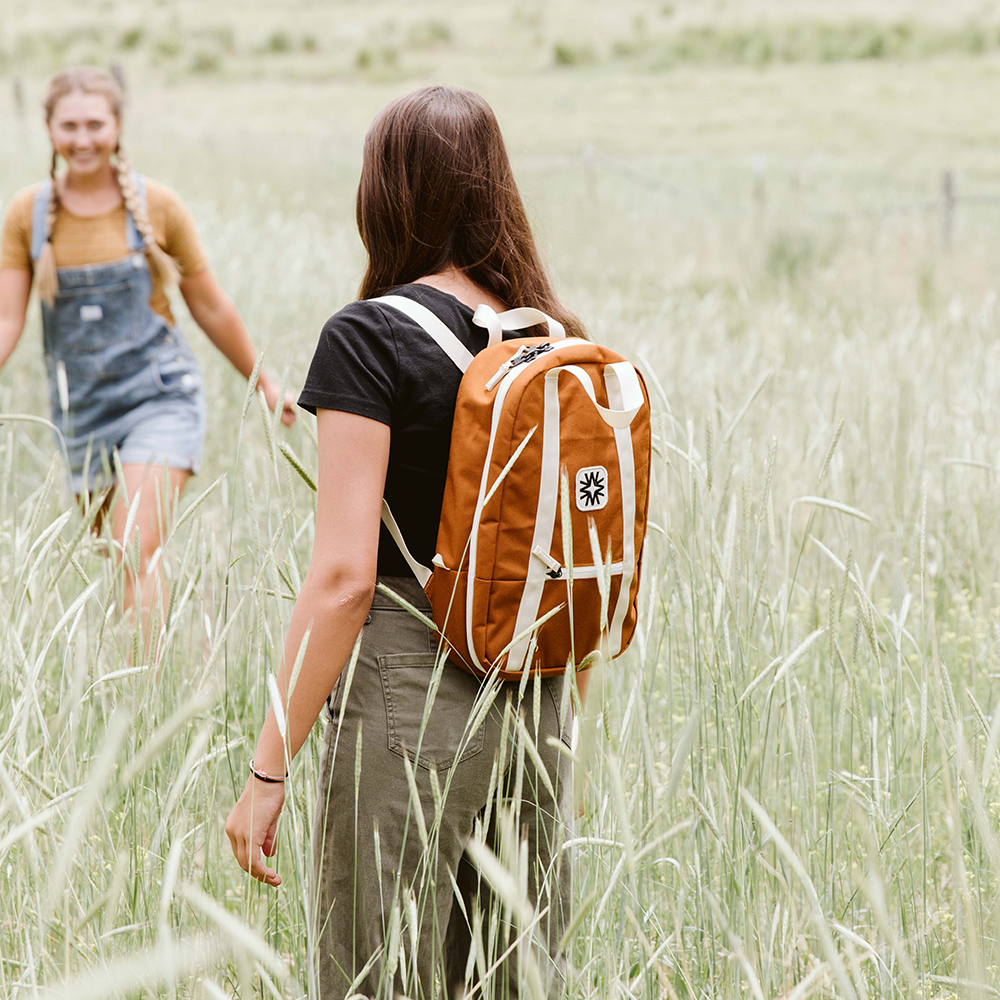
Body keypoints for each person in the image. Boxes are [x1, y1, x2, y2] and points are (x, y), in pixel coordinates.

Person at [225, 86, 592, 998]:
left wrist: (268, 767)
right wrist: (561, 704)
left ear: (383, 193)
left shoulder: (368, 339)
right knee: (513, 972)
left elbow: (347, 577)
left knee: (378, 971)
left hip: (408, 680)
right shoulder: (555, 337)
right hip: (536, 692)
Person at [0, 66, 295, 637]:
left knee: (136, 544)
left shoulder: (157, 206)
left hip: (159, 395)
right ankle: (131, 690)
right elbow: (8, 317)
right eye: (69, 126)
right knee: (117, 555)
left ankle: (147, 682)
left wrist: (265, 382)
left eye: (95, 124)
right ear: (48, 129)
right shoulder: (26, 215)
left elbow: (209, 306)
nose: (82, 139)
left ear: (117, 126)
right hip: (80, 409)